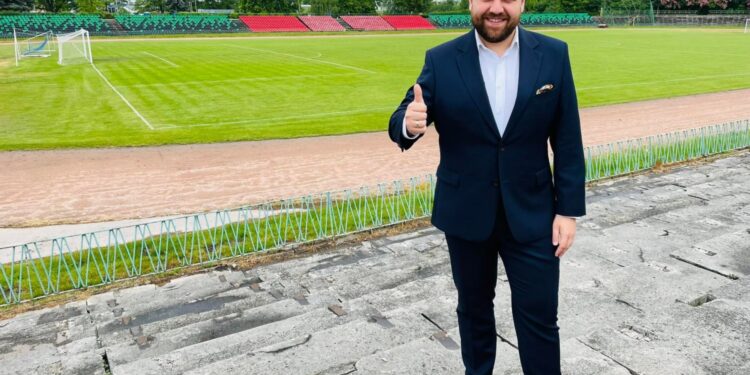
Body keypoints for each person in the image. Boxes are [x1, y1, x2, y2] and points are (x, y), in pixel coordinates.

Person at [388, 0, 586, 373]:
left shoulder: (554, 54)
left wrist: (568, 210)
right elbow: (405, 116)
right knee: (474, 311)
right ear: (470, 2)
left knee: (540, 317)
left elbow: (568, 138)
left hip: (534, 213)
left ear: (522, 3)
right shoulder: (442, 59)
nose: (496, 8)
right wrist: (409, 125)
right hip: (466, 212)